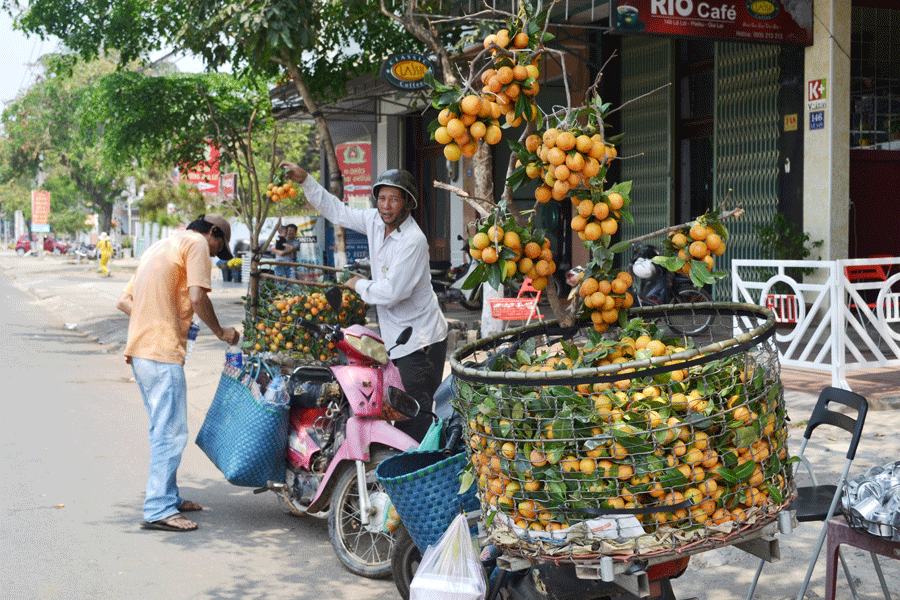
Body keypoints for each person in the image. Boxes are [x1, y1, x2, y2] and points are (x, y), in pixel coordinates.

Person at [280, 162, 448, 442]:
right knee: (393, 411)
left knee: (413, 418)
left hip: (421, 342)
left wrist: (357, 283)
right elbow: (338, 211)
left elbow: (392, 292)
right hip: (396, 338)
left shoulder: (413, 241)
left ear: (408, 204)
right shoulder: (373, 221)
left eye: (394, 199)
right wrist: (305, 180)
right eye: (381, 198)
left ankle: (418, 479)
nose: (386, 205)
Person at [116, 214, 241, 532]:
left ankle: (167, 496)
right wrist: (221, 332)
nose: (214, 255)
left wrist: (157, 315)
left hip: (142, 352)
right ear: (213, 232)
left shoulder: (159, 246)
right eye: (219, 248)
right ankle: (158, 508)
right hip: (161, 353)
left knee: (164, 428)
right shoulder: (196, 243)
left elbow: (125, 301)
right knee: (170, 433)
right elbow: (198, 297)